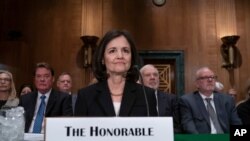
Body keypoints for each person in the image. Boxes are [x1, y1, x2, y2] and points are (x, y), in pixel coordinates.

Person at [74, 29, 158, 117]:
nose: (120, 56)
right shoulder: (86, 96)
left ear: (131, 58)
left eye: (125, 51)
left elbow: (153, 130)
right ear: (102, 59)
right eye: (112, 51)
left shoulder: (147, 95)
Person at [179, 67, 242, 134]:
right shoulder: (188, 101)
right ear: (197, 83)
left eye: (212, 77)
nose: (210, 80)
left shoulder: (227, 100)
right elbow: (188, 127)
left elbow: (236, 123)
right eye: (205, 77)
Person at [19, 62, 73, 133]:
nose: (42, 79)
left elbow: (67, 124)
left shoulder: (63, 98)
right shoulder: (25, 99)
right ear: (34, 79)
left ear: (53, 79)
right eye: (38, 76)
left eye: (46, 76)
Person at [139, 64, 181, 133]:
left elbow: (177, 126)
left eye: (155, 75)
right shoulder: (134, 99)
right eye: (148, 75)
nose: (152, 77)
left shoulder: (171, 99)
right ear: (140, 80)